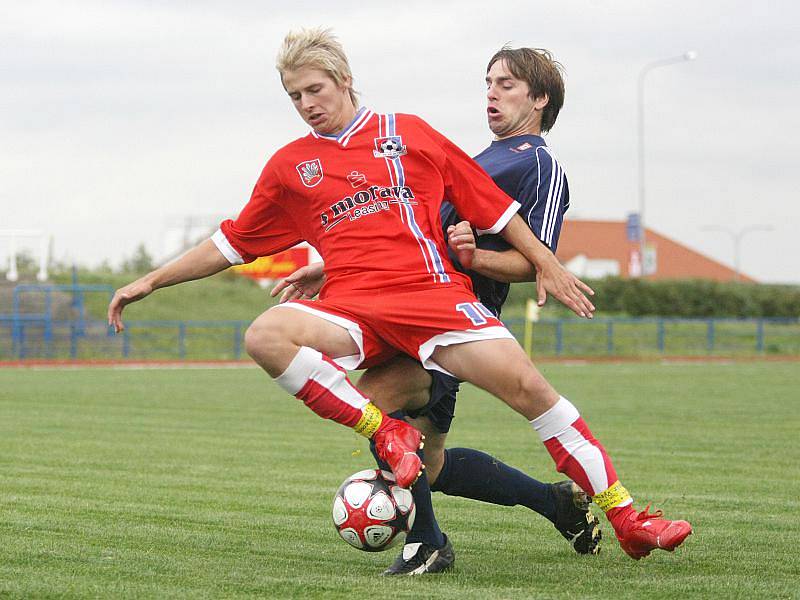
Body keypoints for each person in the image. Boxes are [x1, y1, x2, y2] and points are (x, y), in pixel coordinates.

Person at [107, 28, 691, 575]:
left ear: (344, 80)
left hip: (435, 299)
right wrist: (150, 281)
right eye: (295, 96)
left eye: (316, 89)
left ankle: (627, 518)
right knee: (266, 336)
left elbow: (493, 210)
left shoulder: (410, 132)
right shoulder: (290, 167)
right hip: (354, 308)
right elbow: (230, 242)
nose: (308, 103)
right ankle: (403, 473)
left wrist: (547, 263)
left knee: (536, 395)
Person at [271, 46, 603, 575]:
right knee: (428, 460)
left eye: (508, 84)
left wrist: (475, 258)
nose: (492, 93)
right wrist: (330, 267)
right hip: (412, 307)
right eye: (488, 82)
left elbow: (536, 263)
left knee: (380, 411)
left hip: (452, 318)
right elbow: (417, 233)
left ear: (541, 99)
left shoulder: (537, 163)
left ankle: (427, 541)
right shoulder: (483, 157)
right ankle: (553, 502)